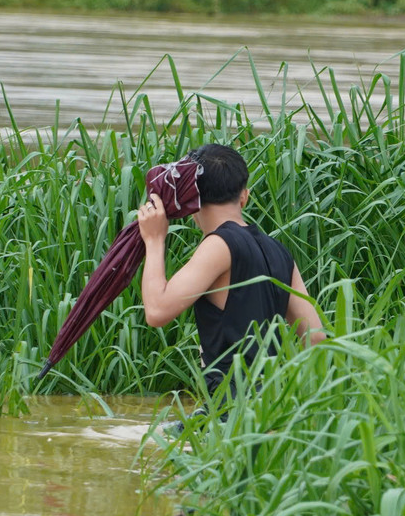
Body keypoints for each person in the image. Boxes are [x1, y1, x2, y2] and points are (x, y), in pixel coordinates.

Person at [137, 143, 325, 396]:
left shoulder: (218, 245)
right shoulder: (279, 251)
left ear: (192, 199)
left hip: (228, 410)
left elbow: (157, 311)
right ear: (244, 196)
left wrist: (154, 240)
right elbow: (315, 338)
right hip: (268, 405)